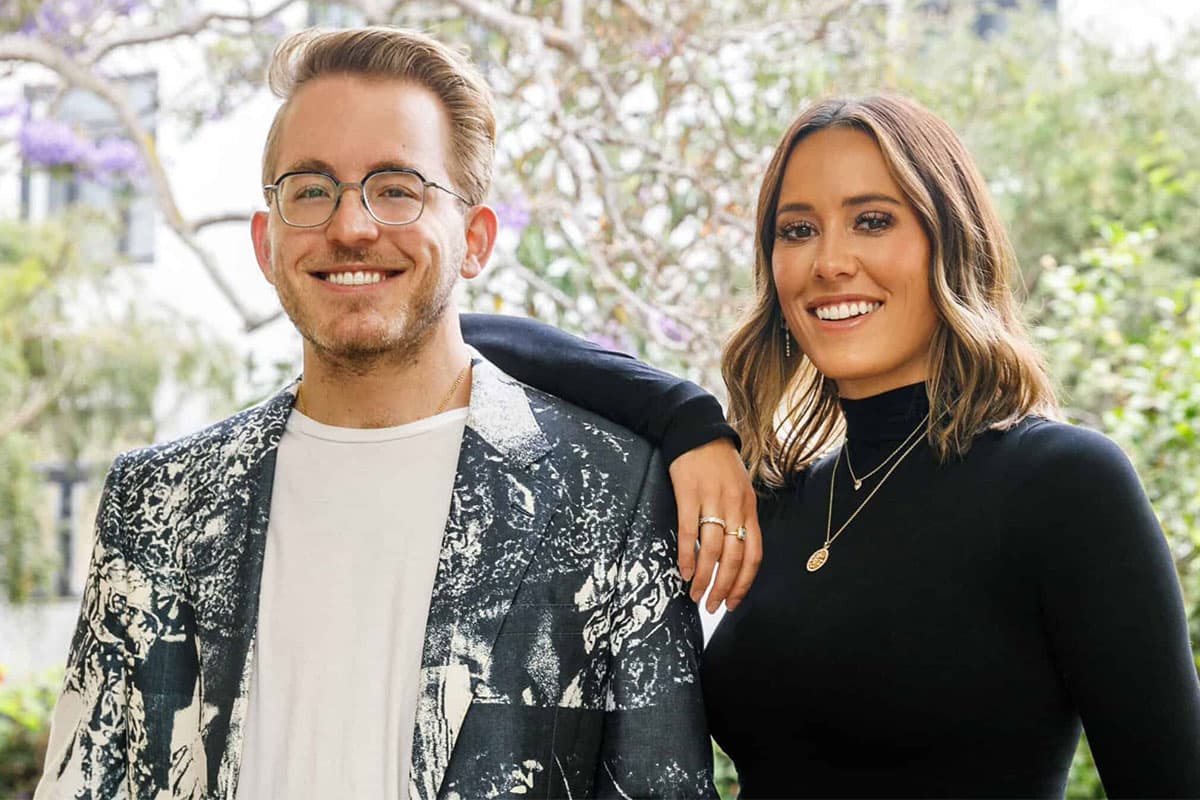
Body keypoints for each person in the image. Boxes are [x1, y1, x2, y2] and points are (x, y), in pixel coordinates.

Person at [35, 26, 729, 800]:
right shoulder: (155, 503)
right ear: (266, 243)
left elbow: (660, 784)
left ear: (474, 240)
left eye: (397, 187)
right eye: (311, 189)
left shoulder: (611, 493)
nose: (352, 225)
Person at [464, 94, 1200, 797]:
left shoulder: (1064, 486)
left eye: (872, 220)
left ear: (949, 240)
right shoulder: (780, 503)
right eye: (798, 229)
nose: (830, 262)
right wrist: (687, 419)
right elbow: (468, 337)